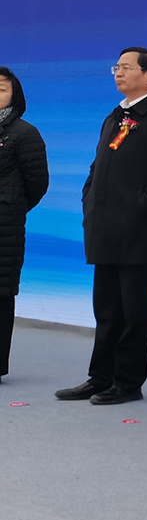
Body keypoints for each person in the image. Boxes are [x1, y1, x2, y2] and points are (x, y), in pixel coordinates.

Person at [58, 47, 147, 406]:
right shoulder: (115, 115)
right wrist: (89, 199)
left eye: (126, 67)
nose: (118, 72)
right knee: (107, 310)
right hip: (105, 229)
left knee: (134, 312)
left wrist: (137, 206)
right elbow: (97, 166)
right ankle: (100, 377)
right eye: (116, 67)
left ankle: (128, 381)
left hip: (139, 233)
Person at [0, 67, 50, 382]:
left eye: (0, 88)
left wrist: (11, 207)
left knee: (1, 294)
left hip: (4, 226)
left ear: (14, 96)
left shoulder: (24, 133)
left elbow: (37, 184)